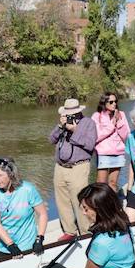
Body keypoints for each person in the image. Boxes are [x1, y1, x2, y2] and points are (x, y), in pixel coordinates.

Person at [50, 98, 96, 242]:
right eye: (67, 114)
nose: (70, 116)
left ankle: (85, 231)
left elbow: (90, 144)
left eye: (72, 114)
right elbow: (51, 139)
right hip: (60, 168)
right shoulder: (63, 124)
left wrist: (74, 130)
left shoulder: (88, 123)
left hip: (78, 167)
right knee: (62, 201)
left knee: (80, 201)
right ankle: (69, 230)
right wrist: (60, 126)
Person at [0, 157, 48, 258]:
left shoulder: (28, 189)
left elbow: (42, 214)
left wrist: (39, 238)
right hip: (6, 247)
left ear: (11, 174)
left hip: (30, 247)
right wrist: (10, 244)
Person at [92, 92, 130, 193]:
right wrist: (111, 125)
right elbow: (96, 136)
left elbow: (126, 135)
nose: (114, 104)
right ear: (104, 103)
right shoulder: (97, 116)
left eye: (116, 101)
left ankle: (111, 206)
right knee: (101, 183)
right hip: (103, 154)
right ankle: (99, 206)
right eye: (111, 102)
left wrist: (119, 122)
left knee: (113, 183)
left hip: (118, 153)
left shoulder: (121, 114)